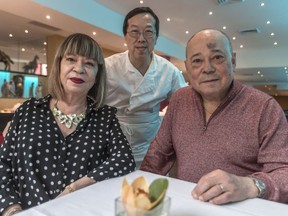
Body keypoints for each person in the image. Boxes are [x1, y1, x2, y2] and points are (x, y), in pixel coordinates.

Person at [140, 29, 288, 204]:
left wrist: (250, 185)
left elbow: (283, 172)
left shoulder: (264, 107)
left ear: (233, 61)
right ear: (188, 68)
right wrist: (140, 189)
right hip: (188, 204)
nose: (207, 69)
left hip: (240, 208)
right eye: (197, 61)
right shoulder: (180, 100)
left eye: (217, 58)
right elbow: (158, 155)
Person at [0, 33, 136, 215]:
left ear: (97, 75)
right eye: (71, 59)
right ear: (58, 66)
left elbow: (125, 159)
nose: (79, 69)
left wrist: (74, 188)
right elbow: (3, 165)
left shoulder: (105, 117)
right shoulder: (28, 111)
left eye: (89, 63)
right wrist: (12, 210)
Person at [105, 7, 187, 168]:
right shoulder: (108, 67)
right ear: (125, 37)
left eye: (148, 32)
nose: (141, 39)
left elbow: (184, 106)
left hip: (152, 143)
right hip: (112, 141)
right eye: (134, 32)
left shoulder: (168, 71)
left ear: (156, 38)